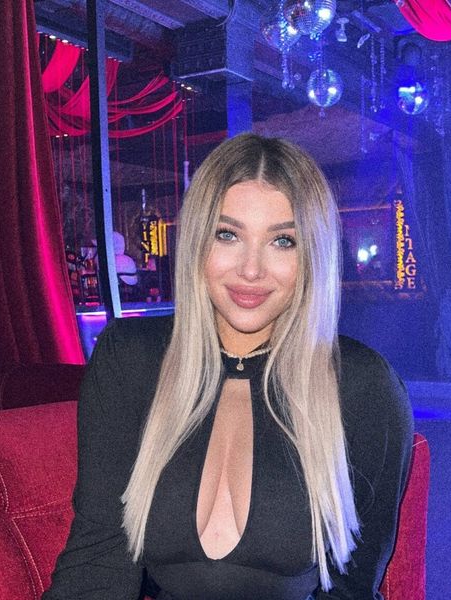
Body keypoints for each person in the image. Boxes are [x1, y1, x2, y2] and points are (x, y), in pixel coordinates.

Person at [43, 133, 413, 600]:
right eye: (228, 235)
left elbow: (350, 589)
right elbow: (96, 563)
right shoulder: (131, 359)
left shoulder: (362, 386)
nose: (251, 270)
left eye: (282, 241)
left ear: (312, 257)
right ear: (197, 241)